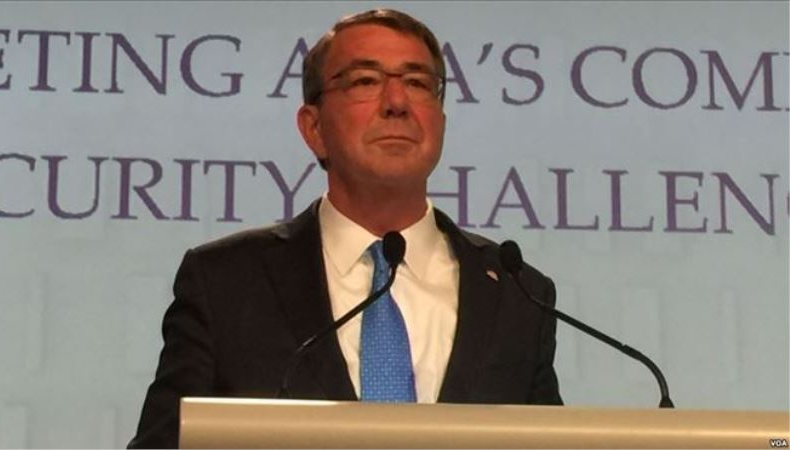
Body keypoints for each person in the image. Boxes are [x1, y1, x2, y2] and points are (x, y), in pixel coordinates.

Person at [129, 8, 561, 449]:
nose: (397, 102)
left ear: (441, 121)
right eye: (364, 81)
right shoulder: (226, 281)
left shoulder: (518, 293)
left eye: (417, 83)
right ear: (313, 127)